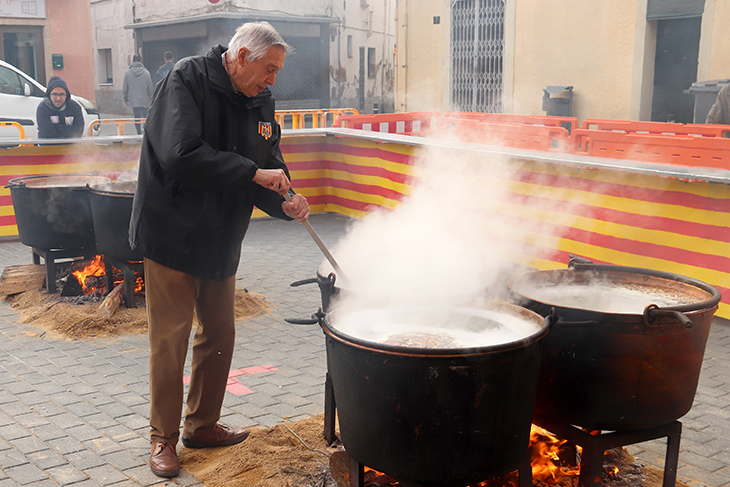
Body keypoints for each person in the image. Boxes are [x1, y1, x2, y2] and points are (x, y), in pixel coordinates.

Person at [129, 21, 310, 478]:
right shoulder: (186, 79)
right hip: (172, 230)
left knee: (220, 335)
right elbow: (179, 153)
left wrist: (286, 200)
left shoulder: (260, 101)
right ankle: (162, 439)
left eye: (277, 72)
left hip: (221, 235)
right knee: (171, 339)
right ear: (241, 56)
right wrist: (253, 173)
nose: (273, 80)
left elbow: (271, 164)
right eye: (268, 69)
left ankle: (202, 426)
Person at [122, 54, 154, 134]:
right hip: (145, 99)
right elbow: (150, 87)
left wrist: (125, 98)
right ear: (141, 61)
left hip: (133, 99)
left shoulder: (127, 73)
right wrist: (151, 97)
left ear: (132, 61)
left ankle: (138, 132)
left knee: (137, 117)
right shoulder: (146, 73)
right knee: (145, 116)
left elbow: (125, 87)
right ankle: (146, 131)